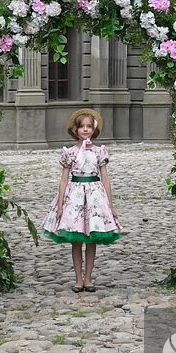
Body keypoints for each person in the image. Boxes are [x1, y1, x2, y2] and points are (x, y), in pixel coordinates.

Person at [44, 108, 121, 293]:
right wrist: (61, 204)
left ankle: (89, 278)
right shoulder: (70, 152)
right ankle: (78, 278)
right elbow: (64, 179)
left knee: (91, 239)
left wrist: (110, 205)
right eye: (82, 127)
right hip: (75, 197)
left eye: (89, 126)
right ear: (75, 130)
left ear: (94, 129)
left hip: (95, 197)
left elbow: (105, 178)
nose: (85, 130)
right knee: (76, 240)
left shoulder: (99, 152)